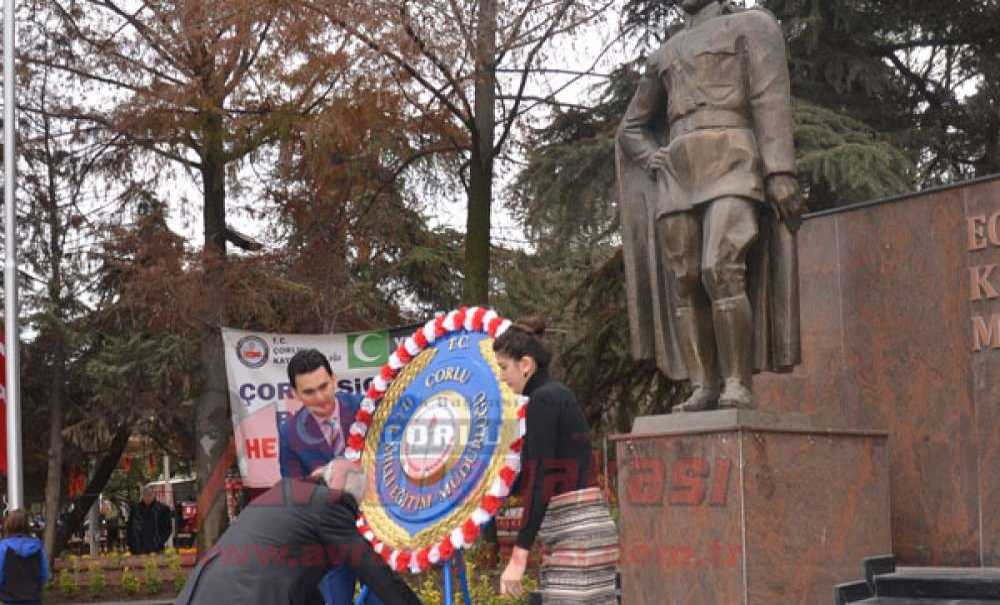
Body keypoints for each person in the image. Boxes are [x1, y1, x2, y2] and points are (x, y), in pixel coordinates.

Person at [616, 0, 805, 411]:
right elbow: (630, 128)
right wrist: (651, 157)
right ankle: (703, 385)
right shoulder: (665, 53)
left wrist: (780, 171)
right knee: (684, 281)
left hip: (733, 156)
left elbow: (769, 98)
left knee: (720, 268)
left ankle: (737, 382)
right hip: (678, 173)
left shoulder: (752, 26)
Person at [493, 318, 619, 604]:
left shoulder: (542, 401)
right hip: (589, 530)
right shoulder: (555, 396)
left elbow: (542, 480)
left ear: (525, 364)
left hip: (574, 535)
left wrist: (519, 555)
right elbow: (530, 476)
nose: (502, 377)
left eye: (504, 367)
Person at [175, 460, 422, 605]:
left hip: (202, 592)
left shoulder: (286, 493)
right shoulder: (330, 503)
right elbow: (375, 572)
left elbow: (294, 579)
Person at [279, 348, 380, 605]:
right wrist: (313, 484)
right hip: (329, 544)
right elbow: (293, 497)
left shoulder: (366, 409)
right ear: (295, 394)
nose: (321, 398)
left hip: (377, 536)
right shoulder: (289, 433)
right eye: (309, 392)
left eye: (324, 386)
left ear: (334, 379)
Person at [0, 509, 49, 605]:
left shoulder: (3, 547)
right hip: (33, 598)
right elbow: (44, 574)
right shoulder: (38, 546)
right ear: (27, 525)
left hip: (10, 599)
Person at [127, 486, 173, 554]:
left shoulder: (163, 509)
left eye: (149, 495)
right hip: (137, 548)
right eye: (145, 495)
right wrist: (131, 543)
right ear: (142, 496)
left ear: (154, 495)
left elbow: (167, 529)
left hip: (155, 548)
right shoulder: (135, 509)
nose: (147, 497)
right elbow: (129, 527)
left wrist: (159, 541)